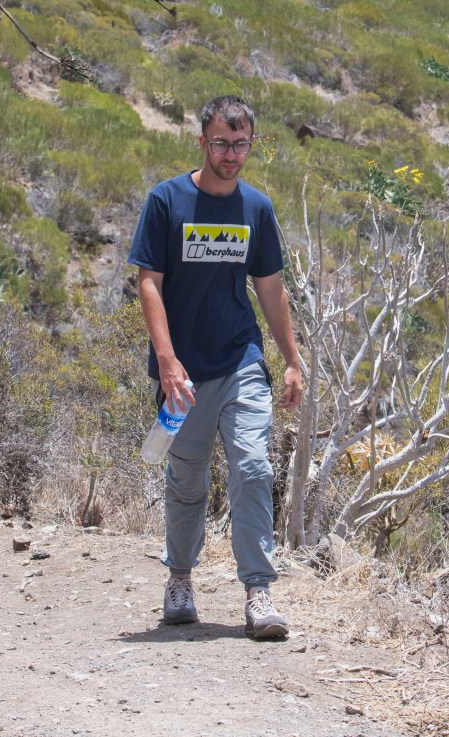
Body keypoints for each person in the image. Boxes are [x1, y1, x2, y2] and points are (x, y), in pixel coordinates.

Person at [127, 96, 303, 639]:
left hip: (240, 359)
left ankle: (258, 591)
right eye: (222, 143)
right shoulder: (167, 200)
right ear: (203, 142)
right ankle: (179, 579)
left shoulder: (257, 208)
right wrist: (167, 360)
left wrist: (293, 360)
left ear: (252, 143)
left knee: (253, 467)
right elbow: (149, 281)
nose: (232, 153)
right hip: (183, 372)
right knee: (186, 481)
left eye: (241, 143)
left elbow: (271, 289)